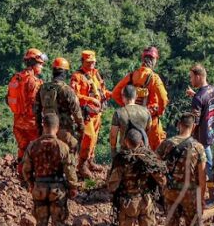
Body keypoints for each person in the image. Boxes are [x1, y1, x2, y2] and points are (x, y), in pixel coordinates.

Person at [106, 129, 166, 226]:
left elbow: (112, 185)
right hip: (146, 202)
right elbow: (162, 180)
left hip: (128, 203)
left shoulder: (122, 159)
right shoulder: (149, 158)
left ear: (126, 141)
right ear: (141, 142)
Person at [156, 115, 208, 226]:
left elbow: (155, 164)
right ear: (193, 127)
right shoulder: (198, 147)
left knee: (171, 224)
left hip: (171, 191)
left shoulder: (167, 144)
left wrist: (162, 182)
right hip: (190, 193)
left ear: (179, 125)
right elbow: (202, 176)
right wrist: (202, 197)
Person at [21, 114, 79, 226]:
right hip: (57, 189)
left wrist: (30, 183)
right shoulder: (63, 147)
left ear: (43, 126)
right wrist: (73, 187)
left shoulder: (33, 146)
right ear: (57, 128)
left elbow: (25, 169)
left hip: (39, 187)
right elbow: (70, 171)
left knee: (41, 221)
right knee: (58, 221)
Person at [111, 46, 168, 150]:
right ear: (154, 60)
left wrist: (127, 106)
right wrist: (159, 111)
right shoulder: (154, 78)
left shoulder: (132, 76)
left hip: (131, 118)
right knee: (158, 152)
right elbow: (163, 99)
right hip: (150, 118)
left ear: (143, 59)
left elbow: (115, 94)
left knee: (130, 150)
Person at [34, 57, 84, 170]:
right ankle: (69, 178)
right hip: (64, 130)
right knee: (71, 151)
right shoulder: (67, 90)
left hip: (46, 129)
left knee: (48, 155)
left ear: (53, 72)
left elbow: (36, 110)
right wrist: (81, 127)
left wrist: (39, 129)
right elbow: (76, 112)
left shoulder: (42, 88)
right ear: (65, 73)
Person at [7, 48, 47, 172]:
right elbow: (36, 103)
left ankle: (21, 172)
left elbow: (7, 98)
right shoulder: (33, 81)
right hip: (31, 123)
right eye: (40, 64)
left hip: (18, 122)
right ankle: (31, 177)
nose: (42, 67)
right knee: (35, 150)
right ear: (34, 63)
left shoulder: (17, 77)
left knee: (23, 148)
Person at [71, 50, 109, 178]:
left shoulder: (96, 74)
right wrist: (90, 100)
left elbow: (101, 90)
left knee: (95, 138)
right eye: (88, 62)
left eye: (93, 62)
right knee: (89, 137)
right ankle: (81, 165)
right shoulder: (77, 76)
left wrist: (113, 94)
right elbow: (74, 95)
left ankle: (90, 161)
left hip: (97, 113)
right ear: (82, 62)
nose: (91, 64)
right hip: (85, 113)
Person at [185, 65, 214, 179]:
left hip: (201, 136)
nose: (191, 80)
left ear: (198, 77)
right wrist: (194, 94)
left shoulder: (198, 98)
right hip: (210, 130)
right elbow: (206, 103)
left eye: (191, 77)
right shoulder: (213, 90)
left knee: (208, 166)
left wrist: (186, 136)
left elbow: (195, 121)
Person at [108, 85, 151, 154]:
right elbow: (148, 131)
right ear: (136, 96)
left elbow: (113, 135)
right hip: (142, 151)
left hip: (125, 152)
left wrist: (113, 151)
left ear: (123, 97)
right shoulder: (146, 112)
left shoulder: (119, 113)